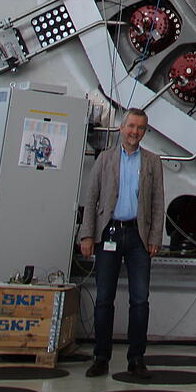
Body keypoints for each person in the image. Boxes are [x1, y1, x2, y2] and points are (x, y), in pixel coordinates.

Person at [79, 107, 165, 378]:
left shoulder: (152, 162)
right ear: (121, 128)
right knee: (104, 299)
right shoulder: (104, 160)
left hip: (138, 237)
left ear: (144, 132)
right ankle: (101, 357)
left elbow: (157, 203)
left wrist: (154, 238)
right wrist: (87, 235)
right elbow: (91, 199)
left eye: (139, 128)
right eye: (130, 126)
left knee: (140, 300)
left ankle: (136, 358)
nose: (134, 132)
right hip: (110, 234)